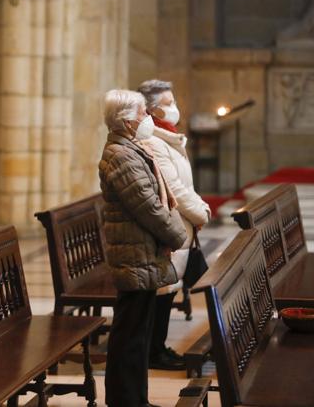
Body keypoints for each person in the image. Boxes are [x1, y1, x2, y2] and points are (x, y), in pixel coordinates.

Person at [99, 89, 187, 407]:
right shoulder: (121, 156)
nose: (147, 118)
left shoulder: (130, 148)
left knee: (138, 334)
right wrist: (178, 235)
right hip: (134, 254)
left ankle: (135, 399)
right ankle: (125, 400)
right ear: (125, 120)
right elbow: (148, 207)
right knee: (130, 335)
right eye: (141, 113)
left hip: (141, 253)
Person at [137, 79, 211, 371]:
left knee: (169, 292)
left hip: (182, 228)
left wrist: (198, 208)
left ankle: (158, 348)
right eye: (168, 103)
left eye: (173, 101)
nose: (174, 107)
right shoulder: (153, 141)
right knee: (162, 294)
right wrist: (201, 213)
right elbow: (175, 190)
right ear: (153, 110)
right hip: (170, 228)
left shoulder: (169, 137)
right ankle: (154, 352)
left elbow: (185, 185)